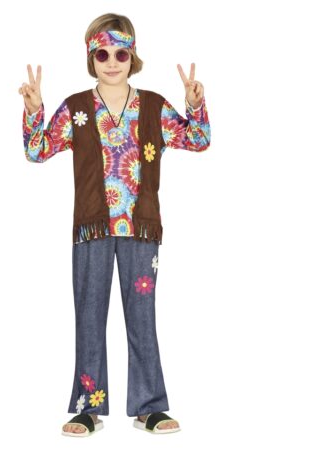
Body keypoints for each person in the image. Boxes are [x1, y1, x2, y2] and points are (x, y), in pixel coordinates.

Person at [18, 12, 210, 436]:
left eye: (120, 53)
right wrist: (34, 111)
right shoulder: (76, 108)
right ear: (91, 57)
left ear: (132, 56)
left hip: (141, 228)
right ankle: (88, 408)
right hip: (93, 228)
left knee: (143, 317)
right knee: (89, 316)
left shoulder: (154, 106)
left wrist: (195, 105)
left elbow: (198, 139)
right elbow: (37, 150)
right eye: (101, 53)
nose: (111, 61)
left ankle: (149, 406)